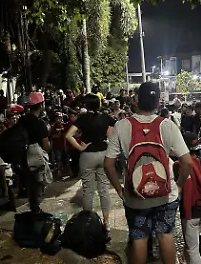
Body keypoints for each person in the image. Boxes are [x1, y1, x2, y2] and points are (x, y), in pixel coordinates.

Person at [104, 82, 193, 264]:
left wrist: (120, 190)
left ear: (136, 100)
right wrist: (179, 185)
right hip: (165, 194)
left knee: (139, 238)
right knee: (166, 235)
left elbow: (108, 164)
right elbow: (187, 162)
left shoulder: (122, 126)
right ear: (158, 102)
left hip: (135, 195)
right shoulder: (167, 125)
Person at [65, 93, 115, 229]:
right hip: (104, 153)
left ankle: (88, 223)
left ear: (86, 105)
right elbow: (114, 131)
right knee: (104, 189)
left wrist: (80, 148)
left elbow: (68, 135)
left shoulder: (82, 118)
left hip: (88, 155)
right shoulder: (105, 117)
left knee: (88, 190)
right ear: (99, 104)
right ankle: (106, 223)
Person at [174, 132, 201, 264]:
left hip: (190, 213)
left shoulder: (178, 165)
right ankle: (184, 260)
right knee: (191, 242)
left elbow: (176, 189)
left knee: (193, 249)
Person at [17, 91, 52, 213]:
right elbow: (46, 145)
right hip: (36, 158)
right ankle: (36, 210)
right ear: (41, 105)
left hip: (23, 156)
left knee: (30, 184)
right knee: (38, 183)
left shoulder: (21, 120)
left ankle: (33, 207)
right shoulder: (40, 123)